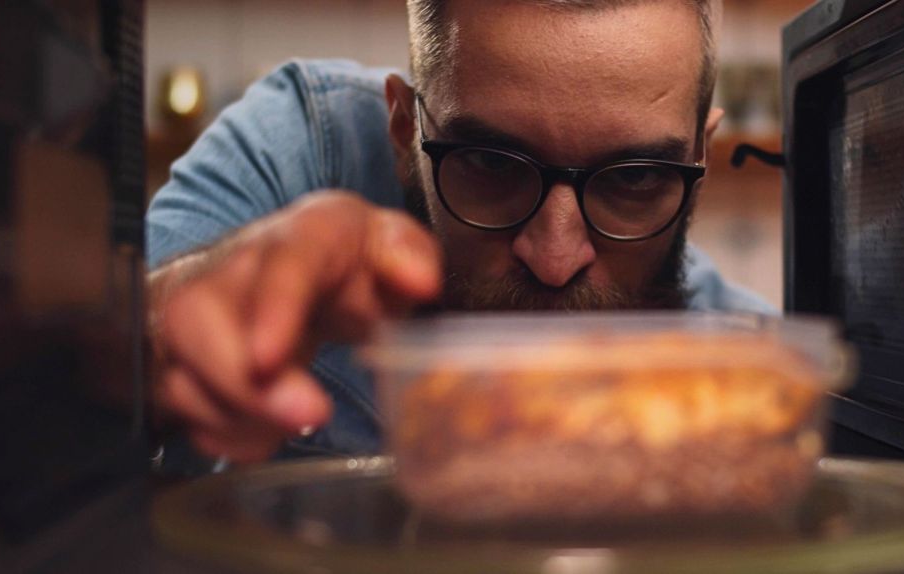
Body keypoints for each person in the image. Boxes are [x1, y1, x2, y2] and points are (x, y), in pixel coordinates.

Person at [146, 0, 772, 468]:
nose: (554, 259)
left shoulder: (754, 388)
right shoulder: (306, 148)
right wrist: (176, 322)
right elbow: (85, 352)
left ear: (701, 158)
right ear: (402, 132)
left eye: (634, 177)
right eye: (492, 165)